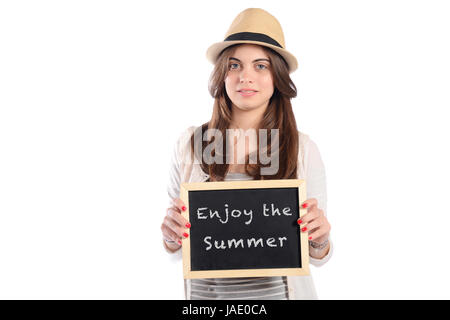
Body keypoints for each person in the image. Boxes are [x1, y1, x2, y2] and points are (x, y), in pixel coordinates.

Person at [160, 8, 333, 300]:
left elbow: (316, 255)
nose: (245, 77)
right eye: (235, 65)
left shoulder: (302, 149)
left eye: (260, 66)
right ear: (222, 74)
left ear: (277, 76)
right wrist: (170, 236)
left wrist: (321, 238)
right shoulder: (189, 144)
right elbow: (178, 248)